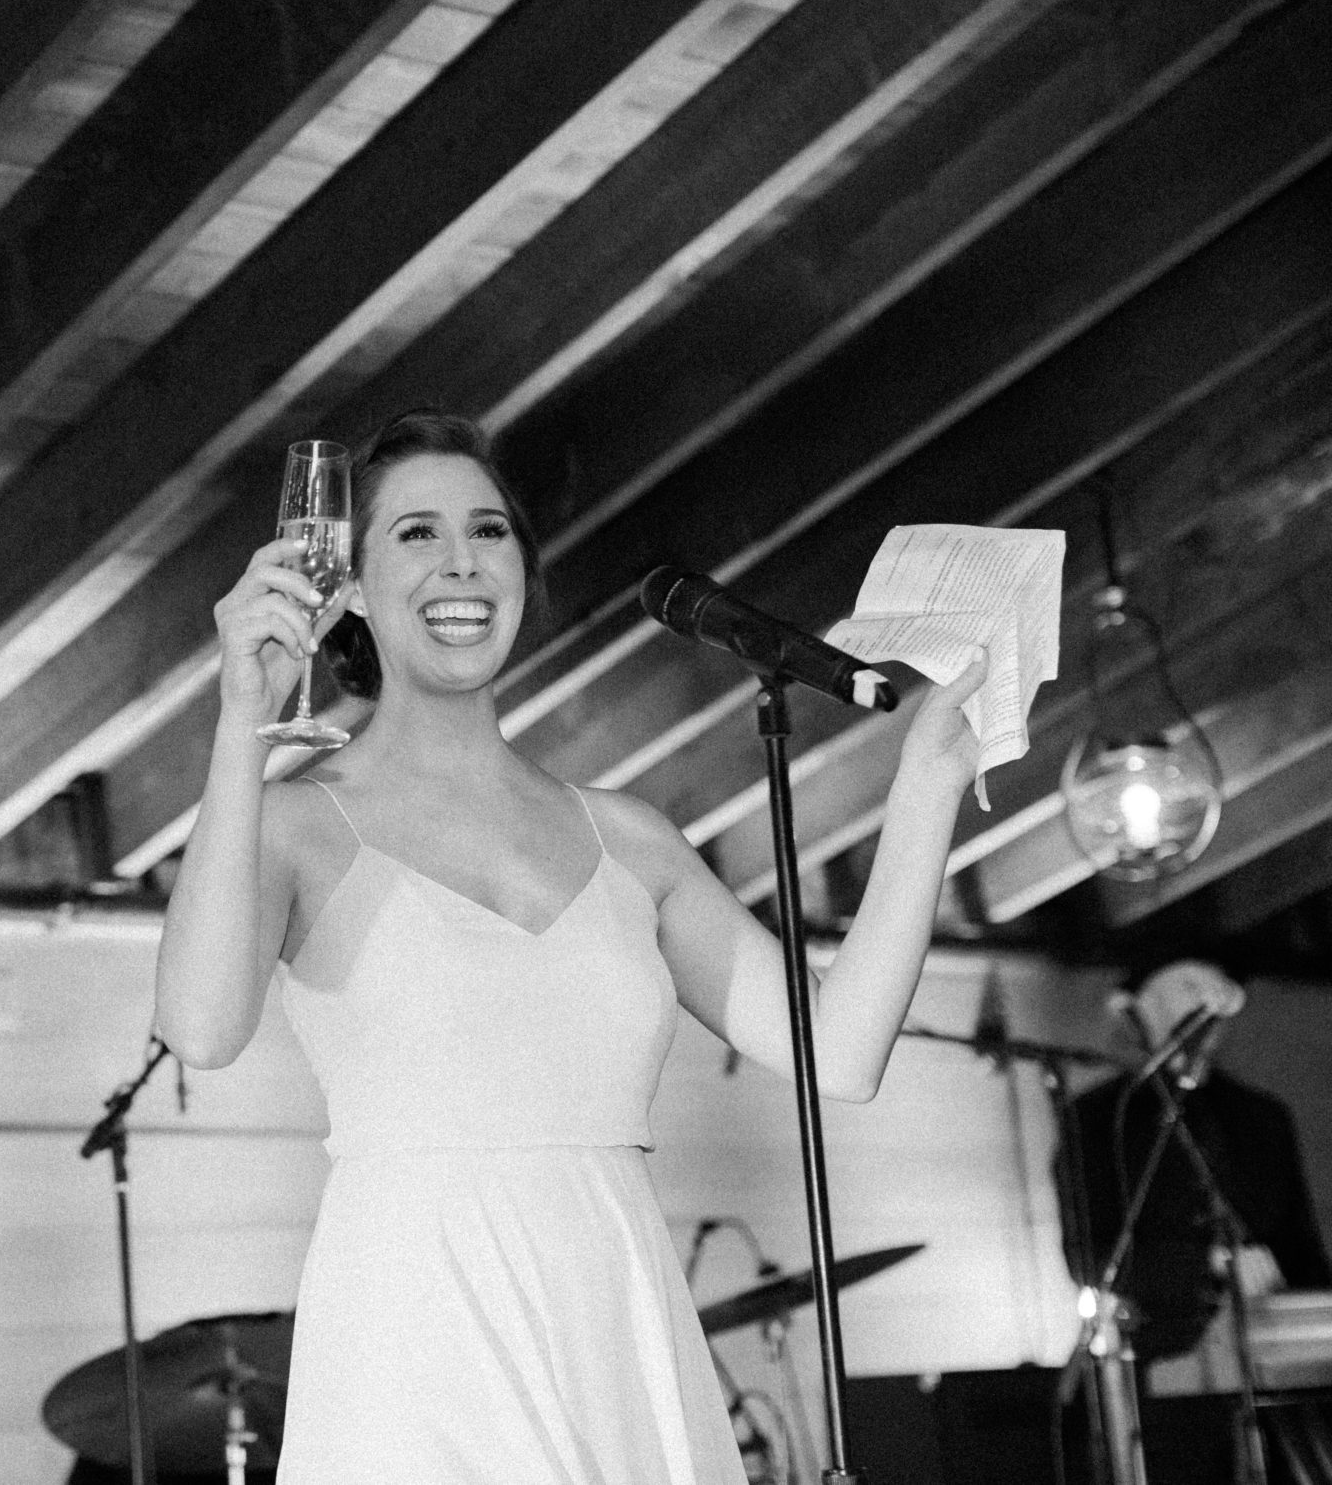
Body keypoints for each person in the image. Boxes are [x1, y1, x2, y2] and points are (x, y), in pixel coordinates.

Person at [155, 410, 986, 1483]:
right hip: (415, 1324)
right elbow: (199, 1030)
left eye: (488, 530)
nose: (461, 560)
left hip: (614, 1307)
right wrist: (242, 720)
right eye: (415, 533)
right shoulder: (293, 818)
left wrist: (926, 785)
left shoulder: (630, 837)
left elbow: (840, 1049)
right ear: (346, 585)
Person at [1059, 958, 1330, 1362]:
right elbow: (1089, 1257)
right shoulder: (1097, 1117)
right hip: (1159, 1350)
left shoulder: (1262, 1116)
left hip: (1272, 1339)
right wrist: (1209, 1262)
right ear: (1141, 1009)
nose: (1208, 998)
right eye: (1188, 987)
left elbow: (1301, 1245)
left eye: (1217, 985)